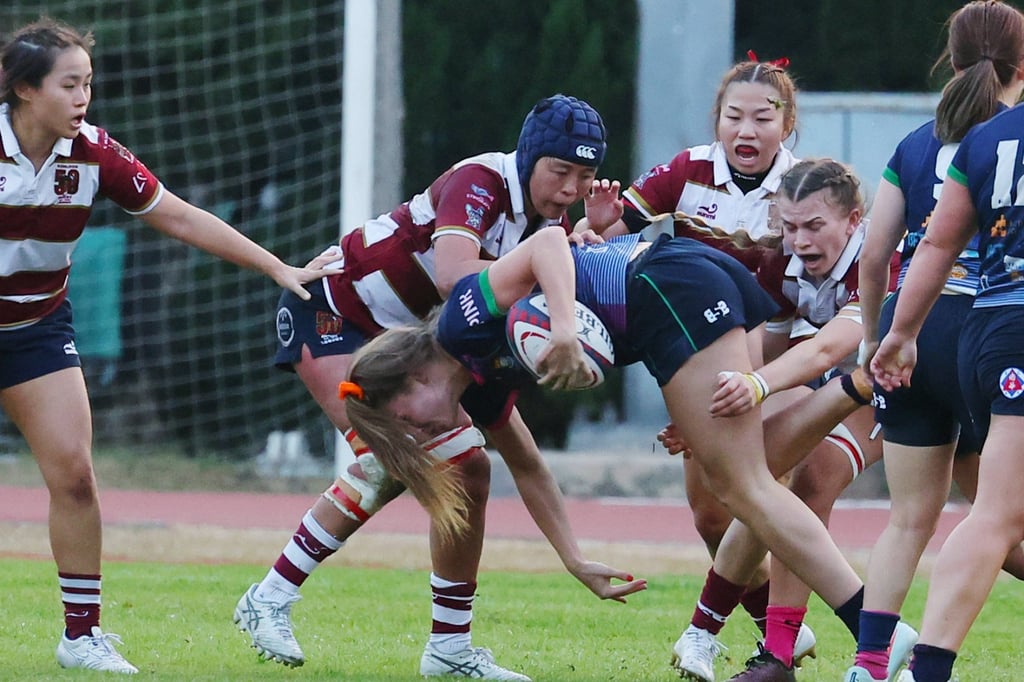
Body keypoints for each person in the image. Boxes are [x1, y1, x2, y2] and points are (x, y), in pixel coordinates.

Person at [341, 223, 872, 682]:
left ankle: (875, 635)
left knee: (744, 485)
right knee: (745, 479)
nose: (420, 433)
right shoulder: (477, 384)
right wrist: (573, 558)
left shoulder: (460, 321)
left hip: (665, 288)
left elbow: (548, 242)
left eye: (405, 422)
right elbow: (528, 468)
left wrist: (567, 329)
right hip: (681, 286)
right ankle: (850, 391)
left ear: (412, 379)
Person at [233, 94, 646, 681]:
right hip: (331, 315)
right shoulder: (480, 180)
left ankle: (449, 651)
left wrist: (574, 558)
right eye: (560, 171)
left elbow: (528, 463)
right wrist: (551, 317)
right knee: (390, 459)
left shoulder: (544, 231)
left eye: (584, 177)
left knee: (473, 470)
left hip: (427, 343)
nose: (569, 189)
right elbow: (456, 276)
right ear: (529, 157)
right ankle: (268, 598)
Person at [0, 18, 328, 675]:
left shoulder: (94, 154)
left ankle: (81, 636)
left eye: (88, 83)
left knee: (75, 476)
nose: (83, 97)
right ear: (26, 91)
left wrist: (275, 267)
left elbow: (177, 214)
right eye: (69, 84)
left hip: (35, 332)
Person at [579, 52, 806, 671]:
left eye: (763, 117)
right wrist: (598, 226)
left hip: (784, 353)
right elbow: (613, 232)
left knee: (762, 501)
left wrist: (756, 383)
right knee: (712, 515)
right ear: (717, 121)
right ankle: (774, 635)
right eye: (734, 116)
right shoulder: (687, 171)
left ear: (787, 125)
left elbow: (820, 283)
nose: (746, 130)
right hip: (701, 358)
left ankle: (777, 644)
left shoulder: (803, 184)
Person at [666, 159, 914, 682]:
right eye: (790, 226)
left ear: (854, 219)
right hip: (869, 381)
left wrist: (754, 387)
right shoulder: (783, 265)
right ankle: (765, 651)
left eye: (814, 226)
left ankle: (876, 651)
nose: (799, 240)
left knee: (998, 531)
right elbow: (764, 353)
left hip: (924, 383)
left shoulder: (880, 254)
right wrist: (701, 417)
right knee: (765, 483)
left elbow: (830, 349)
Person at [849, 3, 1024, 681]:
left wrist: (882, 338)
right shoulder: (999, 136)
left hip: (924, 326)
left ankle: (867, 663)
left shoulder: (924, 144)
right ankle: (930, 666)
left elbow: (879, 255)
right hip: (982, 325)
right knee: (995, 519)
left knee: (912, 516)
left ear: (952, 61)